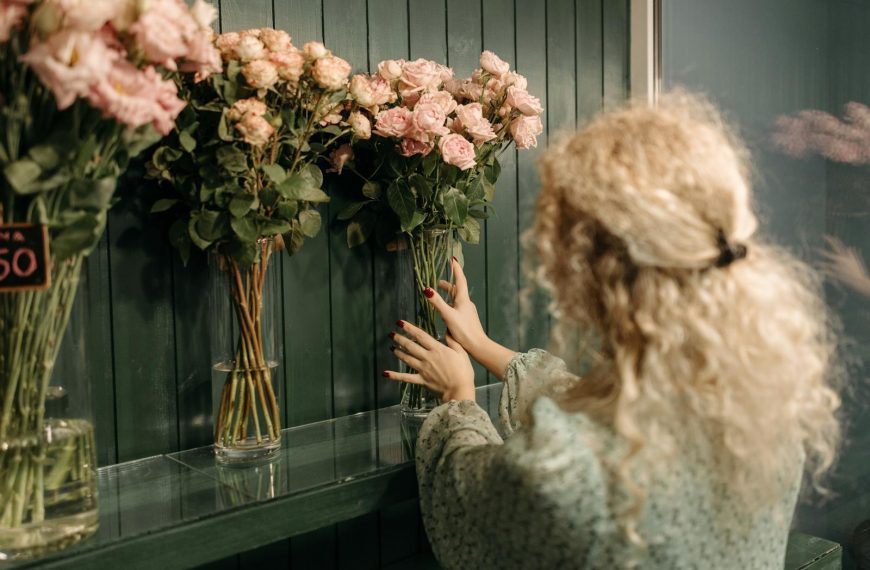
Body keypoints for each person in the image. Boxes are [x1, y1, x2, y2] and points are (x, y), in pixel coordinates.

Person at [383, 93, 842, 569]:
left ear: (588, 274)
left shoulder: (567, 471)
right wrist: (483, 347)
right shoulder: (761, 415)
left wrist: (458, 396)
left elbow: (469, 502)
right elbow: (608, 414)